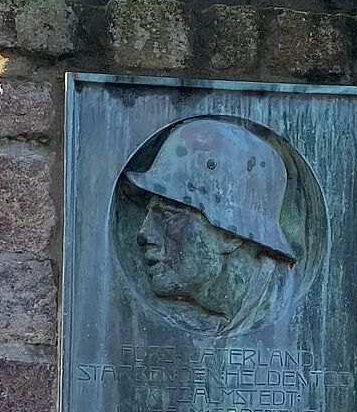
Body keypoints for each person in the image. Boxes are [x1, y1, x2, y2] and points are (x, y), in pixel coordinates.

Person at [127, 118, 297, 322]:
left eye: (168, 216)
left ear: (230, 235)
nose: (143, 234)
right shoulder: (218, 318)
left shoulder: (288, 317)